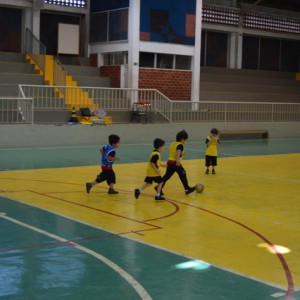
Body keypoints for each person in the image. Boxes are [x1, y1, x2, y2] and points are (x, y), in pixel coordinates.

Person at [161, 130, 195, 195]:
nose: (186, 142)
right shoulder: (180, 145)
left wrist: (181, 155)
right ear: (182, 139)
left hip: (170, 162)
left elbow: (174, 152)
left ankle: (158, 187)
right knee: (183, 174)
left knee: (167, 176)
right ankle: (187, 189)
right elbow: (178, 151)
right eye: (186, 140)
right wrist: (177, 160)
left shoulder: (173, 143)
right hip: (175, 163)